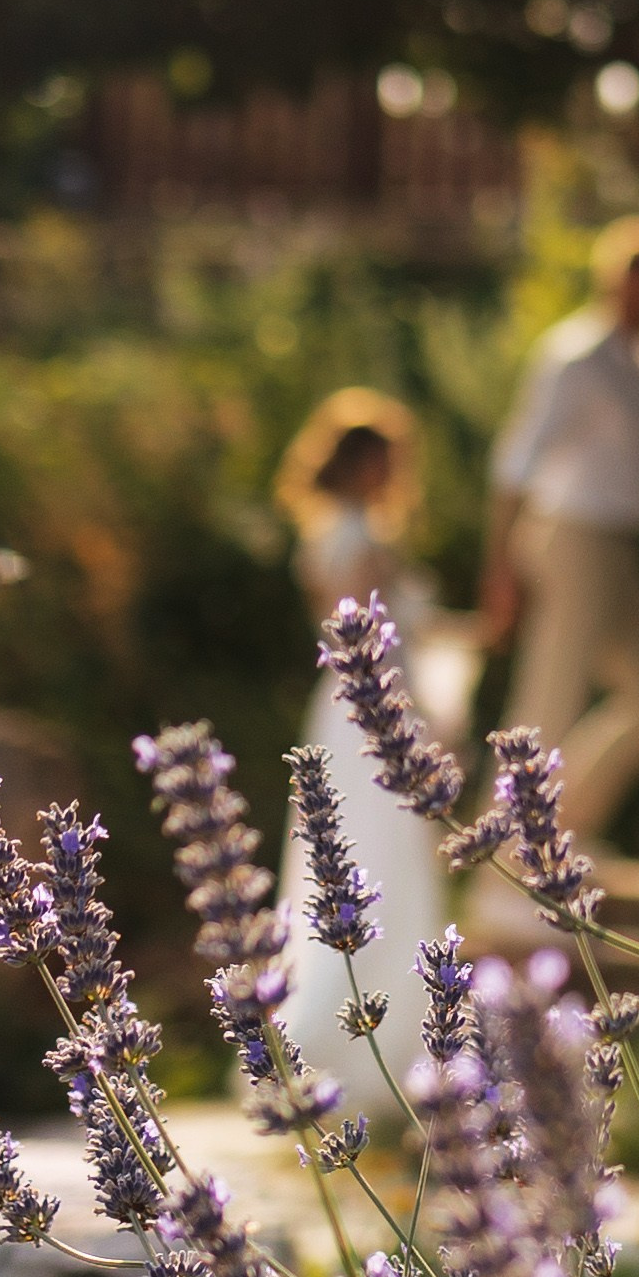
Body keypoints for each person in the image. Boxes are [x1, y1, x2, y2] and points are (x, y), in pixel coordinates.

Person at [271, 388, 463, 1099]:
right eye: (385, 460)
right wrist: (417, 726)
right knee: (370, 864)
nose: (393, 473)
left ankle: (373, 1042)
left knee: (352, 863)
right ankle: (371, 1052)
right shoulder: (363, 542)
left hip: (343, 713)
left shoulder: (326, 535)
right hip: (372, 714)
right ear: (359, 464)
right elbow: (370, 643)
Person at [482, 217, 639, 868]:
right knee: (549, 700)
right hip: (570, 536)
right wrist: (500, 564)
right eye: (632, 283)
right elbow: (516, 461)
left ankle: (562, 828)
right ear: (610, 281)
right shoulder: (574, 355)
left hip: (622, 545)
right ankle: (505, 863)